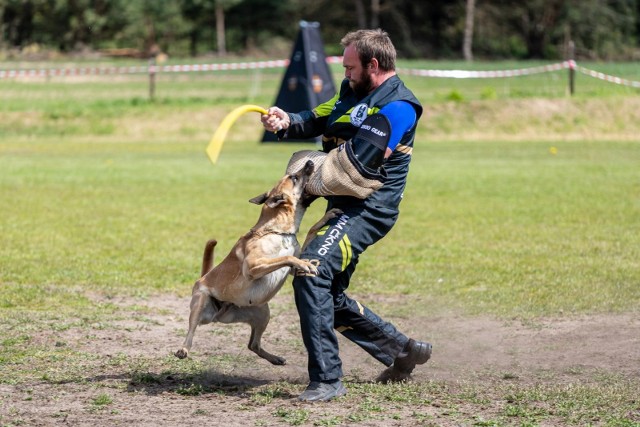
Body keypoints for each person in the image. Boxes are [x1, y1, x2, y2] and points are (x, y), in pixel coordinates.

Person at [260, 28, 432, 402]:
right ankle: (402, 350)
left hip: (369, 209)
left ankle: (326, 380)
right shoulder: (349, 93)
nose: (345, 71)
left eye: (351, 66)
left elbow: (364, 159)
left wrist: (312, 169)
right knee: (328, 293)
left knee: (310, 271)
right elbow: (318, 118)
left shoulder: (399, 106)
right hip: (341, 206)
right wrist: (286, 121)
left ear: (374, 64)